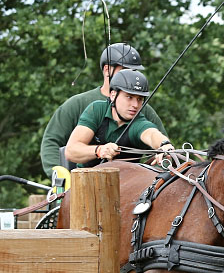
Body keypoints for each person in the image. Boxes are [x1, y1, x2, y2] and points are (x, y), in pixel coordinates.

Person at [40, 42, 167, 175]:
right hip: (82, 183)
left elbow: (153, 136)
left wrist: (164, 147)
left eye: (134, 71)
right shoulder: (80, 104)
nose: (135, 104)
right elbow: (53, 143)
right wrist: (60, 178)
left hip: (130, 186)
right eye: (125, 69)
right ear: (107, 70)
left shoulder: (141, 109)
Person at [65, 69, 175, 167]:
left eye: (140, 99)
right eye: (129, 97)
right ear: (113, 95)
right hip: (86, 181)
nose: (135, 105)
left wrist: (164, 145)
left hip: (126, 186)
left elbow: (151, 134)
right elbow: (71, 151)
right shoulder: (97, 110)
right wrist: (99, 150)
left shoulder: (138, 122)